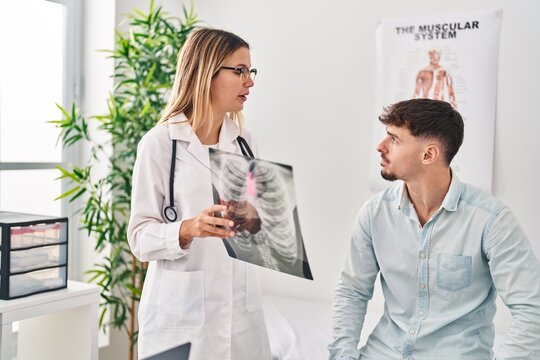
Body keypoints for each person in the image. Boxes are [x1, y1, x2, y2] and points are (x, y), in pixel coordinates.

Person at [329, 99, 540, 359]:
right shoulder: (374, 214)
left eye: (394, 140)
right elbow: (352, 291)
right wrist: (343, 355)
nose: (380, 147)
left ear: (428, 154)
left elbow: (532, 309)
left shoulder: (493, 222)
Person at [127, 28, 272, 360]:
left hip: (241, 314)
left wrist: (252, 218)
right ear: (206, 72)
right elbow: (139, 238)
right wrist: (188, 228)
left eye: (251, 72)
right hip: (179, 315)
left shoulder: (246, 144)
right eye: (239, 71)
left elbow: (261, 224)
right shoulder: (160, 145)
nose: (249, 81)